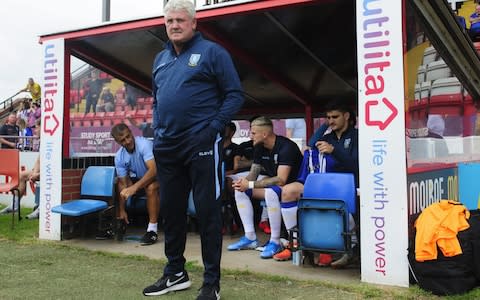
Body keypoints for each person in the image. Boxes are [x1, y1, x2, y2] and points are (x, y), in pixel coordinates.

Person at [143, 0, 243, 298]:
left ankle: (211, 284)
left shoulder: (212, 53)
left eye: (180, 20)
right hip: (168, 148)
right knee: (172, 212)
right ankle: (175, 273)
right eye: (170, 20)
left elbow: (235, 95)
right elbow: (158, 101)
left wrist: (212, 129)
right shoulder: (160, 59)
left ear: (194, 23)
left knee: (207, 213)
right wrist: (159, 133)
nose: (174, 25)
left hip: (201, 144)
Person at [273, 100, 358, 266]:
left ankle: (347, 248)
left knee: (333, 208)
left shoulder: (357, 136)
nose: (331, 121)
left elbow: (357, 165)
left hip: (348, 186)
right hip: (323, 185)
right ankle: (296, 244)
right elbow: (312, 144)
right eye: (328, 118)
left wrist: (335, 151)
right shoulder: (327, 137)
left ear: (347, 116)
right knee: (288, 191)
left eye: (335, 117)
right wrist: (320, 133)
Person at [228, 116, 303, 260]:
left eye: (253, 133)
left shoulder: (286, 146)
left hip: (294, 188)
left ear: (264, 134)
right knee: (240, 189)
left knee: (271, 192)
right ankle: (250, 237)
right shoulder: (259, 147)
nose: (251, 136)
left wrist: (249, 184)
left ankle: (275, 241)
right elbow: (254, 173)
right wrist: (244, 183)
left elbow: (281, 180)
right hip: (276, 187)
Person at [110, 123, 160, 245]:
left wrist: (134, 188)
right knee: (119, 182)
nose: (128, 141)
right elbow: (122, 183)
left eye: (128, 136)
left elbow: (154, 171)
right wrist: (122, 209)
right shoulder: (119, 157)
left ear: (131, 133)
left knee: (151, 187)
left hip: (161, 177)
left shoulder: (144, 144)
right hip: (141, 179)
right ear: (118, 142)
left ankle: (152, 231)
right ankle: (121, 219)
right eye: (123, 140)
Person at [0, 119, 41, 216]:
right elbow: (39, 160)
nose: (35, 130)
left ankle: (41, 209)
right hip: (41, 172)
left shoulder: (52, 142)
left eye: (37, 128)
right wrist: (35, 172)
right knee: (21, 175)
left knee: (46, 180)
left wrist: (38, 174)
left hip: (51, 174)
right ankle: (15, 206)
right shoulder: (43, 141)